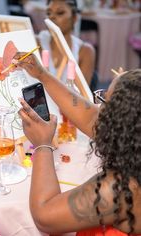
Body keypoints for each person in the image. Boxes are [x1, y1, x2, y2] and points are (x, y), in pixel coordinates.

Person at [14, 53, 141, 235]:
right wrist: (42, 74)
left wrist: (42, 145)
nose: (98, 109)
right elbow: (90, 118)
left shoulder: (121, 189)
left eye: (105, 102)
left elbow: (45, 216)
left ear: (124, 122)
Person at [37, 0, 96, 87]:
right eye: (49, 13)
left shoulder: (85, 51)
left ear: (74, 18)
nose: (52, 17)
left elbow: (82, 95)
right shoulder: (38, 42)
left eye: (60, 13)